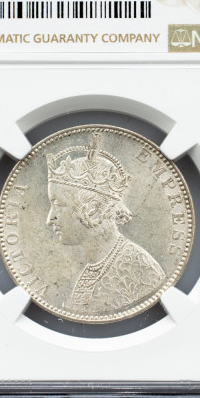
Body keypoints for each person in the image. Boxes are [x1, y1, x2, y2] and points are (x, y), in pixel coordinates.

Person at [45, 132, 165, 315]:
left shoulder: (139, 268)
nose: (50, 219)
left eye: (59, 205)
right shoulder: (95, 266)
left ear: (92, 210)